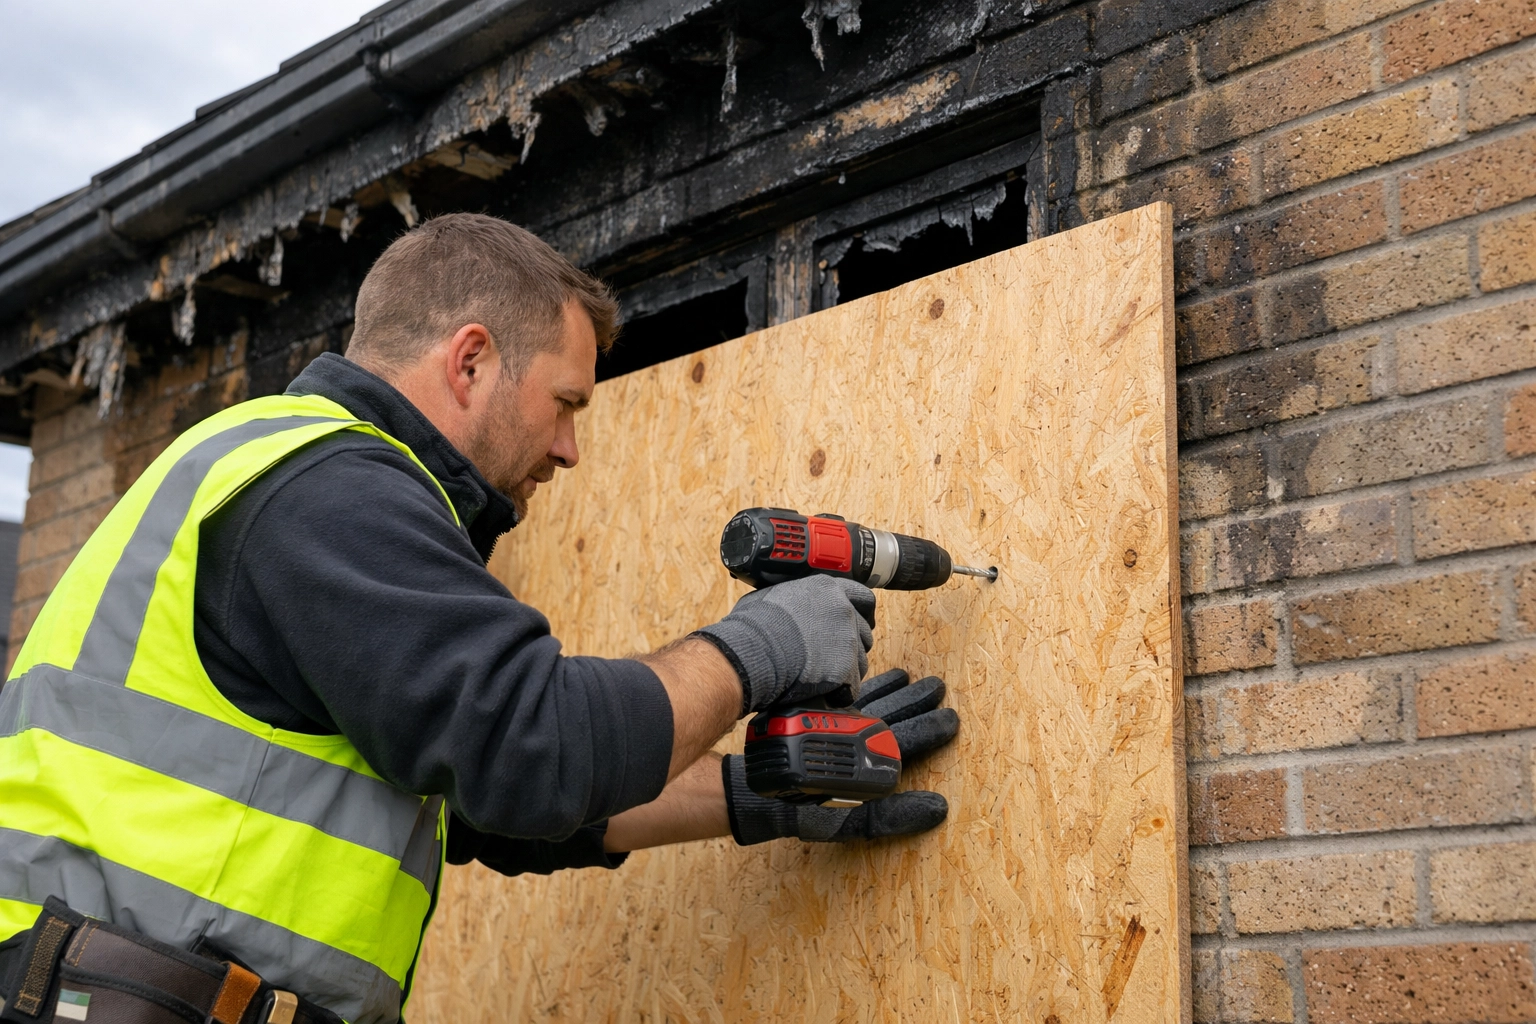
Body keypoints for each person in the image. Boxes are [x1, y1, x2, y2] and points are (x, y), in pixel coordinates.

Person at [0, 214, 958, 1024]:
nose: (572, 448)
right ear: (470, 360)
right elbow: (531, 747)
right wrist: (764, 647)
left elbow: (492, 805)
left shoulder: (278, 473)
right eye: (565, 403)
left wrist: (759, 791)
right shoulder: (327, 488)